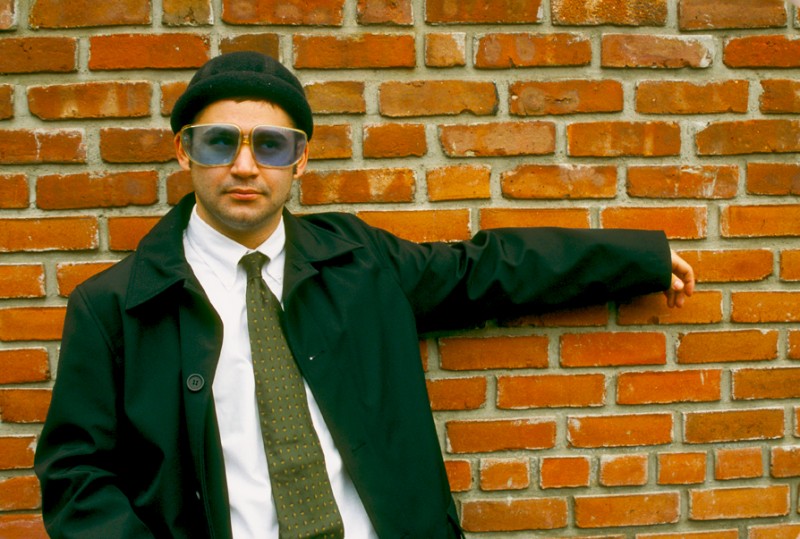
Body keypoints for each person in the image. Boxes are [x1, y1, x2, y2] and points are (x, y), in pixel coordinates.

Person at [34, 51, 695, 539]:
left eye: (270, 144)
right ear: (184, 152)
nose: (243, 165)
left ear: (300, 161)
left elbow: (491, 269)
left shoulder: (359, 262)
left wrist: (640, 258)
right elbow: (77, 480)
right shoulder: (114, 307)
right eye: (219, 142)